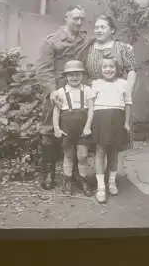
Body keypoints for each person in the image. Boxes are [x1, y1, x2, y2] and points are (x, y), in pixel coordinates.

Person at [36, 6, 90, 190]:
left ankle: (74, 172)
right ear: (66, 18)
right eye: (75, 18)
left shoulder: (85, 40)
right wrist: (52, 91)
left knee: (77, 128)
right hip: (57, 91)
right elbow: (43, 69)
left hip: (77, 91)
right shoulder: (52, 41)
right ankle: (48, 172)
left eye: (82, 19)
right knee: (49, 130)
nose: (79, 22)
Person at [85, 15, 137, 150]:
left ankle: (115, 170)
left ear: (112, 30)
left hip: (116, 96)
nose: (98, 30)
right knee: (99, 139)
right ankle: (100, 170)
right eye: (96, 27)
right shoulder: (88, 48)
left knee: (116, 137)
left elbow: (131, 70)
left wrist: (128, 91)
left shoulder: (122, 47)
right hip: (96, 97)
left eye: (103, 27)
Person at [91, 56, 132, 203]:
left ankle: (111, 182)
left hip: (117, 119)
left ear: (117, 69)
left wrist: (126, 122)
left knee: (114, 153)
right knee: (100, 152)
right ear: (100, 69)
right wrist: (90, 122)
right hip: (100, 119)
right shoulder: (96, 83)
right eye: (105, 67)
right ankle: (101, 186)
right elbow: (91, 104)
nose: (108, 69)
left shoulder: (123, 83)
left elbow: (127, 104)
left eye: (111, 67)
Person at [52, 60, 95, 196]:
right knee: (68, 155)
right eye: (71, 75)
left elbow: (91, 110)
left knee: (82, 156)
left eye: (77, 74)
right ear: (66, 77)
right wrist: (56, 128)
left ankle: (83, 180)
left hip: (83, 129)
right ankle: (67, 181)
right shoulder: (61, 92)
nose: (74, 78)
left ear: (82, 75)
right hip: (67, 129)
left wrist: (88, 126)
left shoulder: (87, 90)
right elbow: (56, 111)